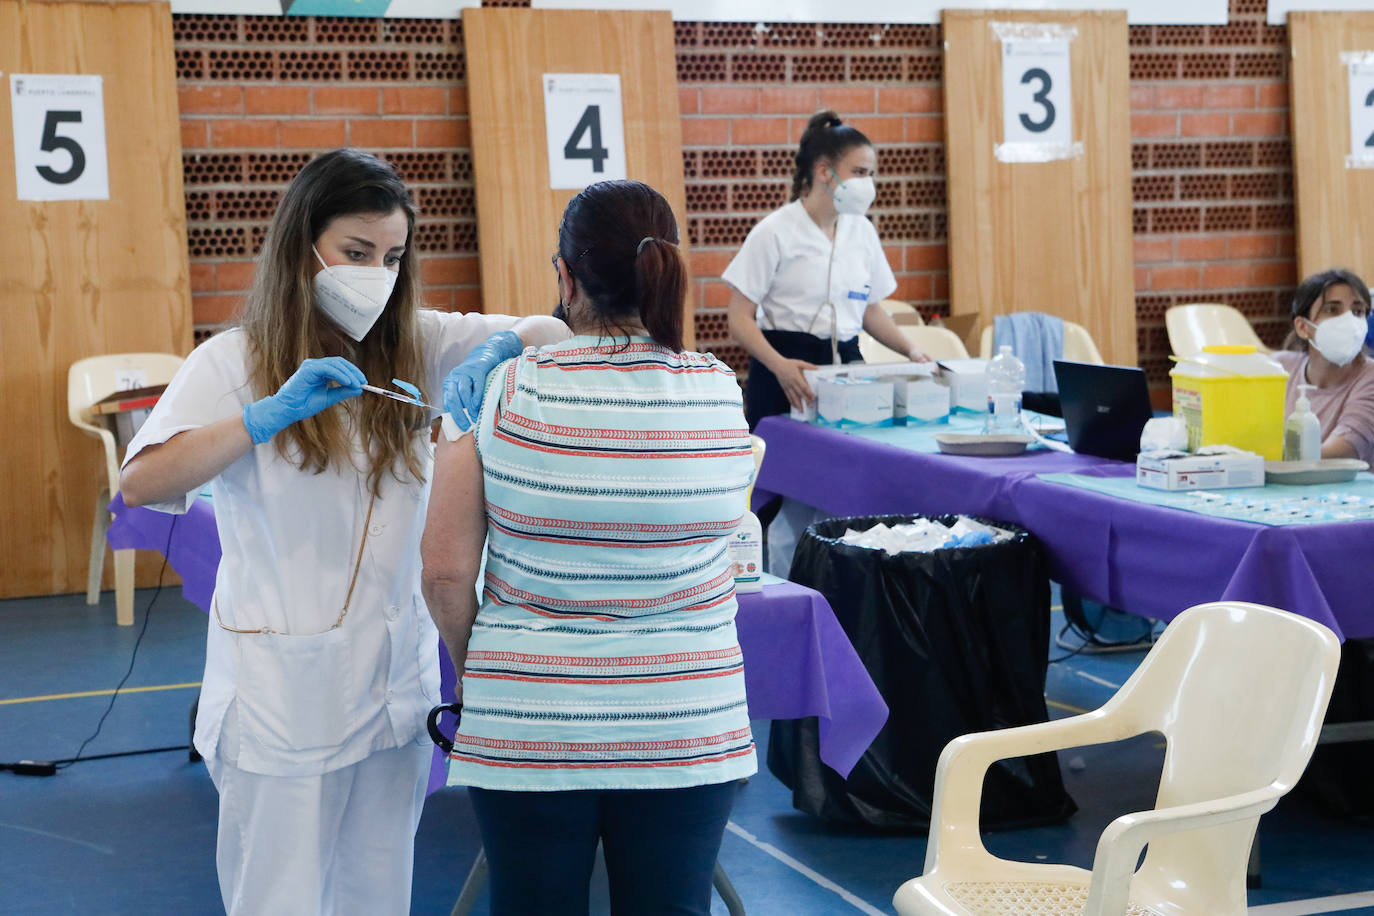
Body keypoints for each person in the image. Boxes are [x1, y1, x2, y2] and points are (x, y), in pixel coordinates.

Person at [117, 148, 567, 915]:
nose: (376, 274)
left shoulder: (414, 343)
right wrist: (260, 418)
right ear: (304, 247)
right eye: (356, 253)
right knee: (279, 897)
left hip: (392, 689)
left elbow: (550, 329)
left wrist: (501, 350)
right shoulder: (234, 360)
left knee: (376, 892)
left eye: (392, 256)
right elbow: (143, 481)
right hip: (282, 696)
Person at [421, 179, 756, 916]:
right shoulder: (718, 391)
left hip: (528, 714)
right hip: (686, 716)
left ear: (565, 277)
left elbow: (445, 573)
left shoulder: (499, 391)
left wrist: (476, 672)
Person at [723, 109, 930, 430]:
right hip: (787, 368)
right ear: (823, 171)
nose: (868, 183)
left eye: (871, 174)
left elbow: (869, 310)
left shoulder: (862, 231)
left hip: (846, 367)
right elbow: (738, 319)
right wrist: (780, 366)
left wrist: (912, 351)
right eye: (859, 172)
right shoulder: (775, 231)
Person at [1274, 268, 1374, 464]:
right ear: (1303, 327)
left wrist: (1257, 455)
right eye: (1332, 309)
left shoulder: (1370, 378)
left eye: (1357, 311)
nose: (1348, 321)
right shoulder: (1280, 368)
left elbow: (1341, 453)